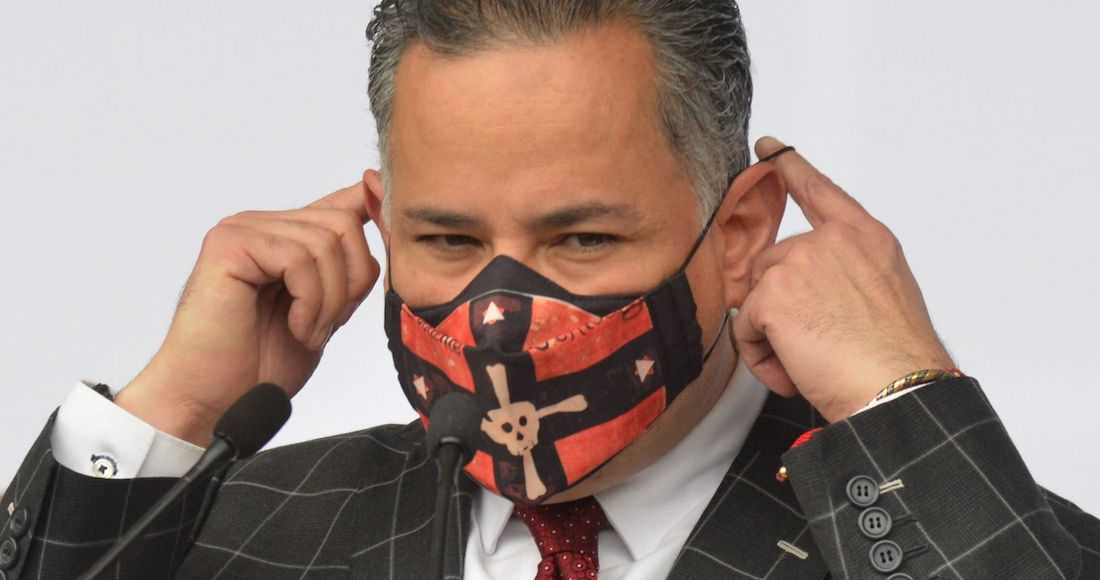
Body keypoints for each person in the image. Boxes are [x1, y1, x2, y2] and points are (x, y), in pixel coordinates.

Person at [2, 1, 1097, 578]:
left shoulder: (961, 541)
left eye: (579, 237)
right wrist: (172, 412)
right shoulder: (222, 535)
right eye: (447, 237)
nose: (497, 316)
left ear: (740, 234)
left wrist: (902, 411)